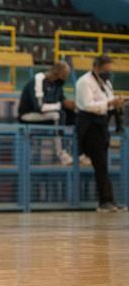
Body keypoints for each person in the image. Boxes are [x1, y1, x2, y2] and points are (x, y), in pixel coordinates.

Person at [75, 55, 126, 212]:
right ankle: (104, 201)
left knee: (103, 165)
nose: (108, 73)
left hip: (102, 126)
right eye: (105, 70)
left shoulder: (106, 83)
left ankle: (109, 200)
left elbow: (107, 104)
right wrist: (110, 103)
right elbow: (87, 105)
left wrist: (116, 103)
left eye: (110, 70)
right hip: (89, 127)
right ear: (96, 67)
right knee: (101, 165)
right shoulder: (84, 82)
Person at [18, 61, 75, 165]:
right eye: (63, 76)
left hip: (44, 115)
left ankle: (78, 152)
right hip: (28, 115)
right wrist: (61, 105)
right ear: (55, 73)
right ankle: (61, 154)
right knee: (58, 115)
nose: (64, 80)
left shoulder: (57, 84)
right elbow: (39, 107)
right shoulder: (38, 80)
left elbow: (62, 100)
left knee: (74, 115)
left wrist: (71, 105)